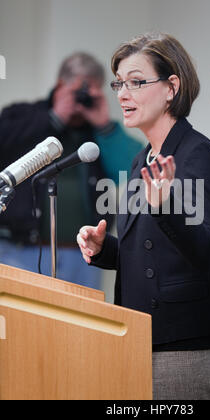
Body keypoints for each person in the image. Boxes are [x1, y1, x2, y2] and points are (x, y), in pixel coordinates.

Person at [77, 33, 210, 400]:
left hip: (182, 349)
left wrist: (166, 207)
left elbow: (206, 252)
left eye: (135, 81)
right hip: (138, 337)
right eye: (119, 82)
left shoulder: (196, 154)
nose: (122, 93)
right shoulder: (140, 159)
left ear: (171, 88)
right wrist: (104, 249)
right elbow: (150, 252)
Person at [0, 52, 143, 289]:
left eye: (89, 93)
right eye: (77, 91)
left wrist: (105, 125)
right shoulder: (23, 115)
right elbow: (7, 145)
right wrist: (54, 118)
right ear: (59, 85)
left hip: (82, 256)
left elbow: (132, 170)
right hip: (21, 249)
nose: (82, 101)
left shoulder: (99, 133)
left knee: (80, 325)